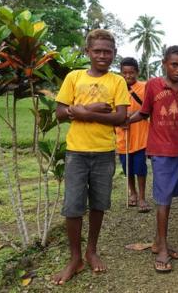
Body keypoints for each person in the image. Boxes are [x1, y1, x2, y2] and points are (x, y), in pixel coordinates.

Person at [53, 29, 130, 284]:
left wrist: (85, 113)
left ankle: (91, 250)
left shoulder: (117, 81)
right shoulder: (74, 77)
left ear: (114, 54)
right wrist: (90, 109)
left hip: (104, 152)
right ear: (87, 52)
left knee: (98, 204)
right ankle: (75, 257)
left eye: (107, 52)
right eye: (97, 51)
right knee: (73, 206)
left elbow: (120, 117)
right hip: (76, 152)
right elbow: (60, 113)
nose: (102, 55)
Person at [127, 45, 178, 273]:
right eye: (174, 64)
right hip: (161, 151)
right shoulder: (153, 85)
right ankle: (163, 248)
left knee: (171, 197)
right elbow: (144, 113)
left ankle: (157, 241)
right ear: (164, 63)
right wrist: (124, 121)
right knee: (163, 200)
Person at [115, 57, 151, 213]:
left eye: (131, 73)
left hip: (140, 135)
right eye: (125, 73)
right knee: (127, 168)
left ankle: (142, 196)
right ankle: (133, 192)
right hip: (123, 136)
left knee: (140, 168)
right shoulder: (117, 87)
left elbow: (148, 107)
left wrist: (131, 116)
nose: (128, 76)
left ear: (137, 72)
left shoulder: (144, 87)